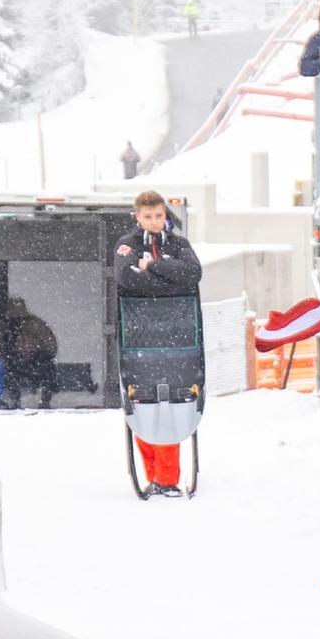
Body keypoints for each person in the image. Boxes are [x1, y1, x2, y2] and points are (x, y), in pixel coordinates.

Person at [114, 189, 203, 498]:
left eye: (159, 215)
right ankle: (155, 475)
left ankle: (166, 478)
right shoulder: (126, 244)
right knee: (142, 409)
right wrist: (170, 280)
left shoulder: (179, 245)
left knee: (173, 408)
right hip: (138, 339)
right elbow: (126, 279)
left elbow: (193, 274)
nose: (154, 221)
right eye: (148, 216)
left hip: (179, 339)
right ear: (138, 217)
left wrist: (153, 266)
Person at [0, 298, 59, 410]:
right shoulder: (2, 326)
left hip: (36, 359)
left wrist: (37, 353)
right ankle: (15, 400)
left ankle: (45, 400)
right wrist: (10, 352)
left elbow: (50, 345)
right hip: (14, 360)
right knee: (8, 369)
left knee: (49, 369)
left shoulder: (36, 324)